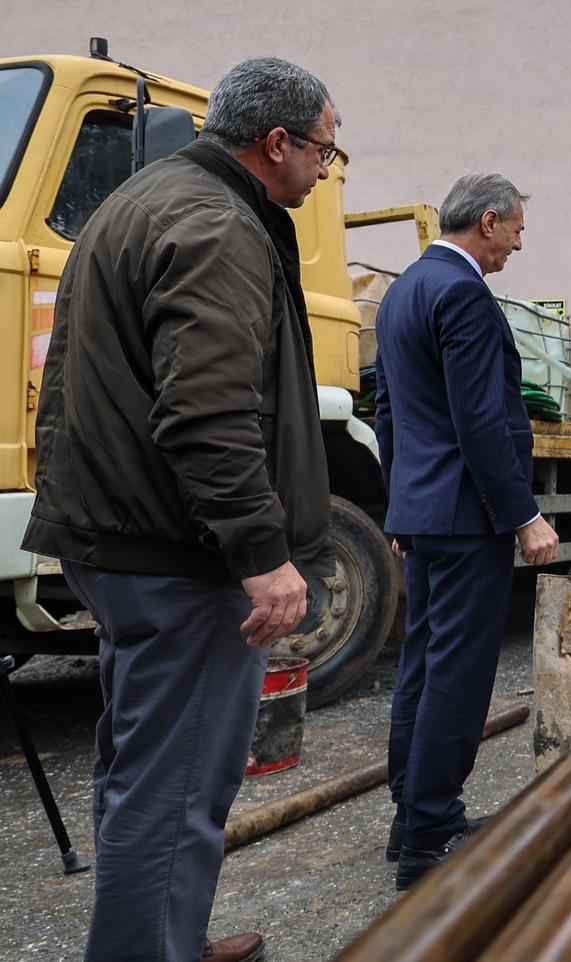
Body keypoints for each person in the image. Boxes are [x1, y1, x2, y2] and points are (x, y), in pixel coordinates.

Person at [23, 57, 339, 962]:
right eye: (323, 149)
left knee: (146, 765)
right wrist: (260, 551)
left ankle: (167, 936)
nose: (325, 169)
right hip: (177, 553)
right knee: (178, 780)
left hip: (128, 537)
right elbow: (205, 412)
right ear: (275, 143)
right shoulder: (215, 224)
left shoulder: (141, 201)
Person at [375, 173, 560, 891]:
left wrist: (399, 505)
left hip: (425, 512)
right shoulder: (463, 295)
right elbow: (482, 421)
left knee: (423, 663)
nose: (518, 243)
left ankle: (410, 815)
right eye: (515, 230)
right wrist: (524, 516)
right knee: (459, 670)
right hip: (465, 514)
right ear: (488, 222)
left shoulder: (402, 291)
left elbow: (389, 409)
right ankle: (430, 832)